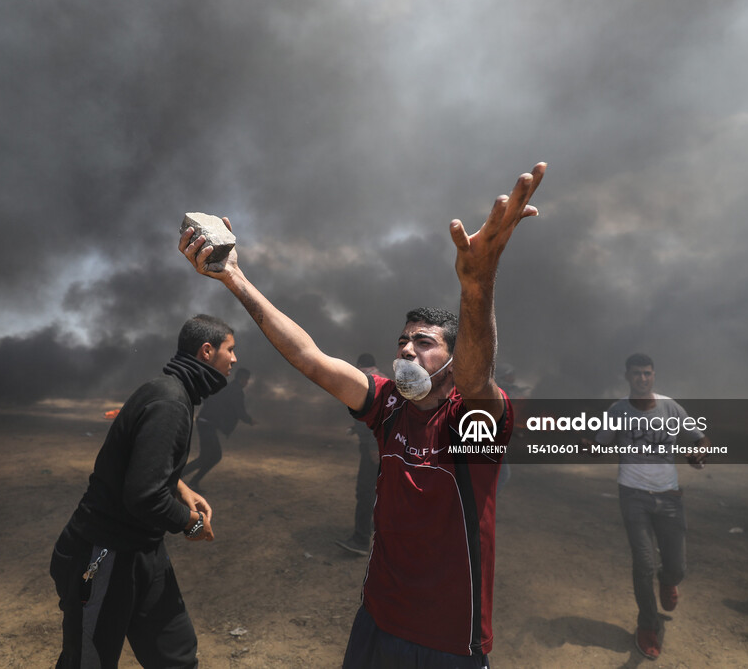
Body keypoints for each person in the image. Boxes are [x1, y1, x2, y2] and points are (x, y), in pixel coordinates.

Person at [180, 164, 547, 668]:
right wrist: (233, 276)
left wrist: (477, 285)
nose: (407, 351)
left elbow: (479, 378)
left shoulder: (473, 420)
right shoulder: (387, 405)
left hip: (447, 639)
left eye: (424, 343)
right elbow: (310, 356)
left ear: (454, 358)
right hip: (377, 618)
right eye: (402, 341)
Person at [49, 315, 234, 669]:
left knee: (176, 654)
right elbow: (144, 496)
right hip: (104, 552)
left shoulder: (168, 391)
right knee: (88, 662)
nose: (235, 359)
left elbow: (140, 458)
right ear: (207, 351)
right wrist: (191, 523)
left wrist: (180, 487)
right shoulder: (171, 401)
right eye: (231, 349)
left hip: (143, 552)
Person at [592, 353, 711, 661]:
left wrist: (700, 453)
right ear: (627, 376)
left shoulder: (671, 407)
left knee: (677, 567)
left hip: (670, 497)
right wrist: (587, 445)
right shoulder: (617, 411)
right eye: (636, 374)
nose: (642, 379)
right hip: (633, 497)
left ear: (654, 375)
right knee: (643, 565)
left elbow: (702, 440)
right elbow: (599, 445)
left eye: (647, 373)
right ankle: (647, 625)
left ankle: (669, 580)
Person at [335, 354, 384, 556]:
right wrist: (356, 428)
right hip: (383, 445)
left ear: (359, 366)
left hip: (375, 447)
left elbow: (378, 417)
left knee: (365, 492)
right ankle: (376, 526)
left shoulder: (367, 381)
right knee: (378, 489)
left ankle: (361, 540)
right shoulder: (381, 377)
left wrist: (373, 447)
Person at [183, 366, 255, 492]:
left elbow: (209, 399)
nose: (247, 382)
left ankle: (190, 482)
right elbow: (239, 411)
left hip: (207, 422)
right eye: (246, 379)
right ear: (241, 378)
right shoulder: (236, 391)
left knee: (213, 456)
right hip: (207, 423)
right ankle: (178, 480)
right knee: (208, 457)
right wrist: (250, 420)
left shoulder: (227, 387)